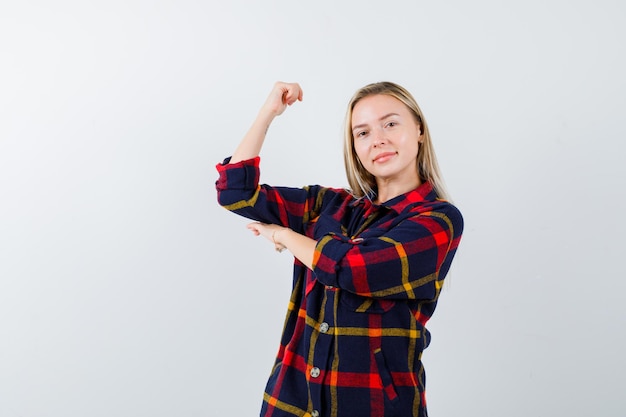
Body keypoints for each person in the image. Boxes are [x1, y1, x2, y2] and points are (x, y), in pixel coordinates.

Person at [216, 81, 463, 417]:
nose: (377, 139)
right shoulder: (332, 206)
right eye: (362, 133)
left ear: (419, 129)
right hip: (291, 402)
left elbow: (353, 270)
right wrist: (268, 113)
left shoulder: (438, 220)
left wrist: (286, 236)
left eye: (390, 123)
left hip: (374, 405)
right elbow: (236, 193)